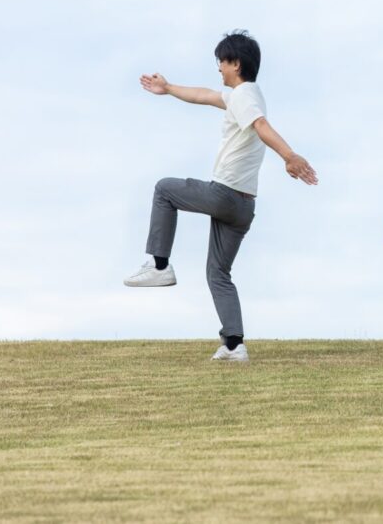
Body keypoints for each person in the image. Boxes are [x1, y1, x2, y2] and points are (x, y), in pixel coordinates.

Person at [124, 30, 318, 362]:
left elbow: (262, 127)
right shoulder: (245, 95)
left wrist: (290, 156)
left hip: (224, 193)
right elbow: (205, 96)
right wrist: (168, 88)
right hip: (244, 206)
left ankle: (159, 265)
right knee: (218, 273)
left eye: (221, 62)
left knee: (164, 189)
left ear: (236, 64)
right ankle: (233, 344)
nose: (218, 69)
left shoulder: (245, 96)